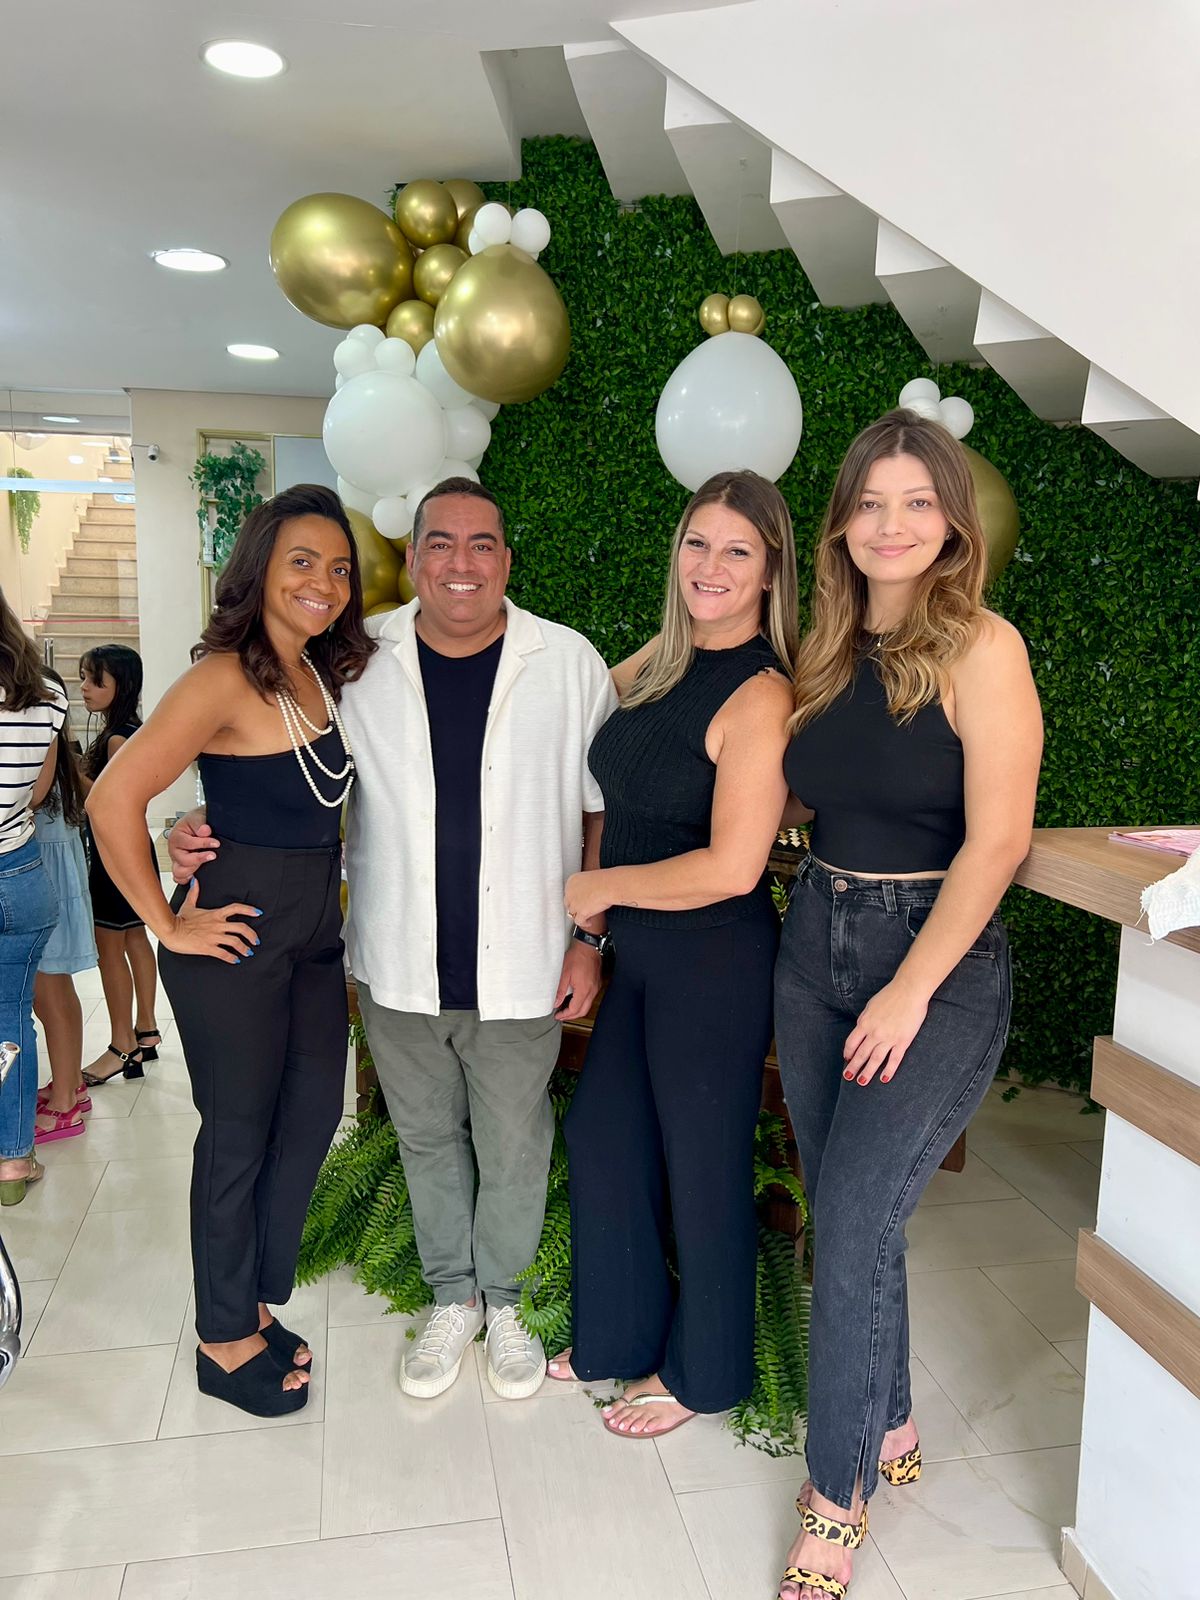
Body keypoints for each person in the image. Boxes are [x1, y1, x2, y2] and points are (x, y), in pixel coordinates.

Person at [170, 477, 615, 1404]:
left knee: (516, 1142)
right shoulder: (355, 661)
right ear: (412, 559)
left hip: (524, 962)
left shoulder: (568, 662)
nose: (462, 563)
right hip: (395, 961)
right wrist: (196, 826)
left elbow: (597, 811)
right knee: (424, 1138)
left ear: (507, 559)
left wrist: (588, 936)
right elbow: (278, 761)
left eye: (482, 544)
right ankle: (454, 1298)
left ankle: (507, 1304)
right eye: (440, 543)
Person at [772, 411, 1042, 1600]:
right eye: (871, 503)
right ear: (842, 522)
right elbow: (795, 791)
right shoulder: (826, 648)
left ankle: (836, 1499)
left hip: (934, 960)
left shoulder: (984, 646)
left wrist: (909, 988)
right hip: (811, 943)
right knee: (852, 1217)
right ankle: (888, 1420)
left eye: (917, 503)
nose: (892, 525)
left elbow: (999, 840)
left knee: (853, 1218)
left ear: (952, 523)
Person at [86, 483, 374, 1417]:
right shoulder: (223, 676)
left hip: (313, 934)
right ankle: (222, 1338)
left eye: (339, 568)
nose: (323, 582)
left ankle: (251, 1297)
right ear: (258, 569)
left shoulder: (318, 674)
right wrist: (166, 923)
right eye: (302, 561)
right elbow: (110, 798)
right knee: (239, 1133)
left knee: (310, 1115)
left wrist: (191, 821)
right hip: (234, 935)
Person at [548, 469, 799, 1439]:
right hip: (645, 955)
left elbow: (734, 867)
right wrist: (593, 932)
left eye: (738, 550)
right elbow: (577, 710)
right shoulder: (667, 657)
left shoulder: (762, 696)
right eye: (697, 542)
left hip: (714, 963)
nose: (711, 565)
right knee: (604, 1138)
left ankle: (707, 1375)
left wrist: (598, 889)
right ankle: (619, 1337)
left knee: (702, 1170)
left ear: (771, 569)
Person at [0, 588, 65, 1205]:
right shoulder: (46, 695)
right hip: (20, 871)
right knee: (12, 1015)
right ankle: (13, 1159)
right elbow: (38, 792)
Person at [78, 644, 161, 1085]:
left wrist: (71, 769)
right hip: (133, 848)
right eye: (84, 678)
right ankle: (146, 1031)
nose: (85, 688)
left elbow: (107, 802)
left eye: (96, 680)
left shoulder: (117, 737)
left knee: (109, 946)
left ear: (121, 686)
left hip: (115, 851)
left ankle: (121, 1045)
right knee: (134, 937)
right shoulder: (131, 730)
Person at [33, 671, 98, 1145]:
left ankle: (64, 1106)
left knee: (47, 990)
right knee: (55, 989)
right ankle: (69, 1083)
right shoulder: (61, 757)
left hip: (45, 878)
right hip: (55, 874)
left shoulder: (44, 755)